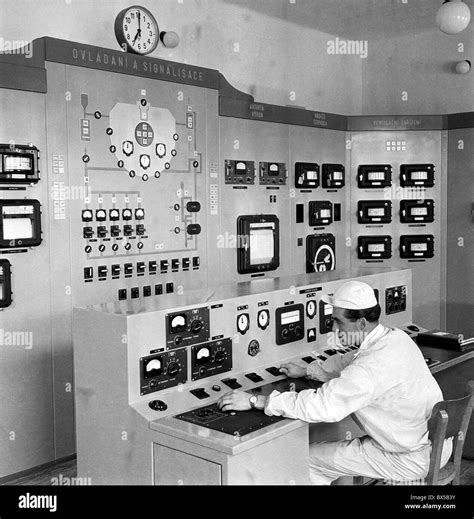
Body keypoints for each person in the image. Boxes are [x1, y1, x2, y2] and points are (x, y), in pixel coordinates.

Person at [217, 280, 452, 484]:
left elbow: (324, 406)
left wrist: (256, 400)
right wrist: (309, 371)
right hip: (432, 444)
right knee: (324, 451)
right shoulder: (394, 337)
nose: (334, 328)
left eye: (339, 322)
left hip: (409, 458)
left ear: (361, 323)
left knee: (305, 461)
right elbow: (347, 361)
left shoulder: (369, 369)